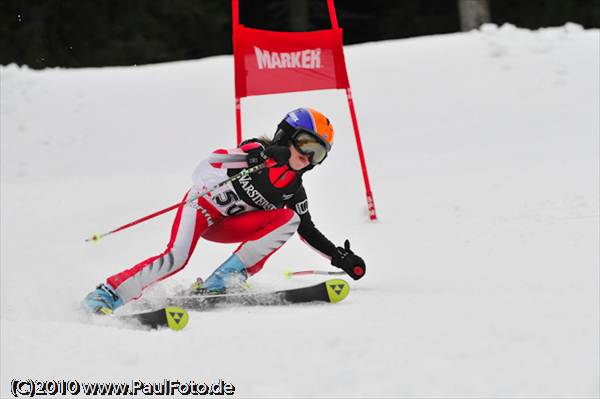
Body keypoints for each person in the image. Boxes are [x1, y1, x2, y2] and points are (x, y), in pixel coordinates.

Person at [83, 107, 366, 314]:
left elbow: (306, 229)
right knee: (176, 258)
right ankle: (107, 294)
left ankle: (223, 280)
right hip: (202, 209)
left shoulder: (293, 189)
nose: (307, 156)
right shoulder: (255, 152)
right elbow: (204, 169)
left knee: (289, 218)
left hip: (230, 226)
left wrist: (338, 257)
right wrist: (253, 157)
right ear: (287, 135)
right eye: (306, 143)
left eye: (318, 153)